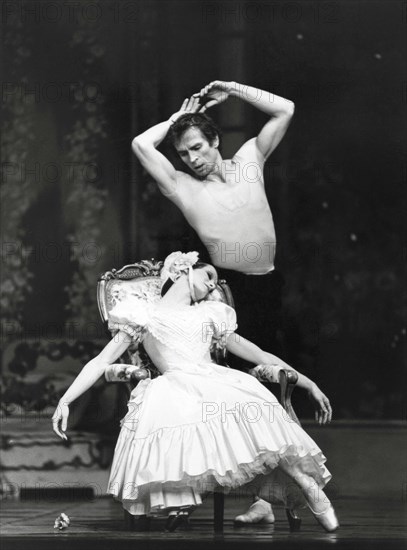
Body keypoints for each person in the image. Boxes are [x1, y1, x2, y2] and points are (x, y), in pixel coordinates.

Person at [52, 252, 339, 533]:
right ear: (181, 271)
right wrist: (66, 400)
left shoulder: (209, 314)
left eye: (215, 280)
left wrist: (309, 383)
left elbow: (260, 354)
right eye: (208, 275)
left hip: (215, 380)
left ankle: (308, 487)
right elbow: (102, 361)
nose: (214, 284)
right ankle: (181, 503)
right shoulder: (141, 315)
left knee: (254, 406)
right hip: (174, 385)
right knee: (180, 413)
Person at [132, 80, 294, 355]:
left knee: (274, 370)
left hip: (269, 282)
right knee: (237, 373)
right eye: (183, 153)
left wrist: (233, 89)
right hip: (227, 290)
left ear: (214, 141)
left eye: (196, 147)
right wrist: (175, 120)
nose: (192, 159)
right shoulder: (183, 187)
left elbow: (285, 110)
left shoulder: (248, 162)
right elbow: (141, 144)